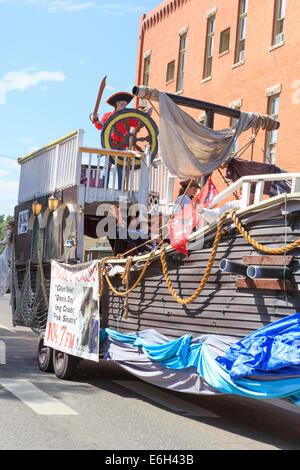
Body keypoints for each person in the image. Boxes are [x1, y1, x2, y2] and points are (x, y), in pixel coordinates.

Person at [91, 92, 135, 190]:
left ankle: (121, 191)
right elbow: (99, 126)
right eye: (123, 103)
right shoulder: (108, 115)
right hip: (110, 145)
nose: (125, 105)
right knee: (107, 167)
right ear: (117, 103)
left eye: (126, 103)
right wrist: (95, 120)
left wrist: (145, 116)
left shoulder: (127, 116)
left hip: (122, 147)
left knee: (120, 169)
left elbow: (137, 122)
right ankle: (104, 188)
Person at [0, 221, 14, 297]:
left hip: (6, 253)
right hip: (12, 253)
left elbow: (5, 242)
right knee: (7, 271)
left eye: (8, 224)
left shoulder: (8, 232)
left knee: (2, 270)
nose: (6, 225)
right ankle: (7, 286)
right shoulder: (14, 233)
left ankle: (4, 286)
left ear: (11, 225)